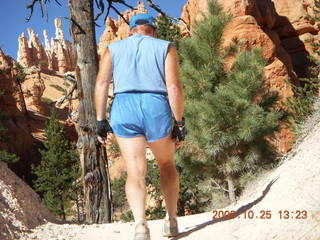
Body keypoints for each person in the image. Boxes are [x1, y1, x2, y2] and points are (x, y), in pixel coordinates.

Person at [94, 13, 185, 240]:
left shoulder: (113, 49)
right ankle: (172, 221)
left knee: (135, 172)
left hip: (125, 107)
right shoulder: (165, 47)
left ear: (132, 31)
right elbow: (173, 87)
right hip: (156, 105)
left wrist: (100, 120)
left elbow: (102, 83)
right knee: (166, 163)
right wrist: (180, 122)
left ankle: (140, 226)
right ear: (152, 31)